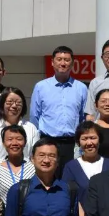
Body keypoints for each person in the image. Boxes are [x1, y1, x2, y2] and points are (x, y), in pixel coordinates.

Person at [31, 46, 87, 176]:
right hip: (48, 141)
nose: (63, 63)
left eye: (67, 60)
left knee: (70, 179)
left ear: (72, 63)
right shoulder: (41, 87)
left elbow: (83, 117)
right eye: (59, 59)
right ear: (52, 62)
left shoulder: (81, 88)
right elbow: (34, 116)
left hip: (71, 143)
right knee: (48, 177)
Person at [0, 87, 39, 162]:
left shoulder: (31, 128)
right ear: (2, 104)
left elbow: (36, 156)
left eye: (18, 103)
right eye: (10, 102)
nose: (14, 106)